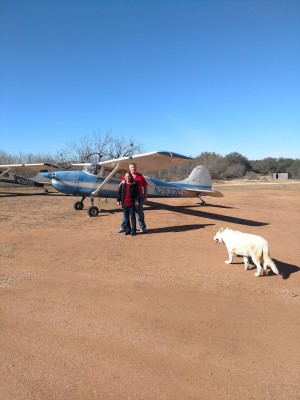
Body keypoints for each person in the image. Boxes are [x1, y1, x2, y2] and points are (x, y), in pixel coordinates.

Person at [119, 162, 148, 233]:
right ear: (129, 168)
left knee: (139, 212)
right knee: (125, 213)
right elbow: (120, 187)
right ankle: (123, 227)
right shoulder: (125, 176)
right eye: (132, 167)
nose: (133, 168)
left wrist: (145, 196)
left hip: (139, 196)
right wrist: (119, 198)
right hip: (127, 197)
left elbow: (145, 186)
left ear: (136, 168)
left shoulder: (140, 176)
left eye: (135, 167)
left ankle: (142, 227)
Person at [117, 172, 139, 236]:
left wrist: (137, 201)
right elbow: (119, 192)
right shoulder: (122, 184)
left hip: (132, 203)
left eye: (129, 176)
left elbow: (137, 193)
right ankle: (128, 230)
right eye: (126, 176)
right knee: (126, 218)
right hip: (124, 203)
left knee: (132, 217)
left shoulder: (134, 184)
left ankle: (133, 231)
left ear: (131, 177)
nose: (127, 177)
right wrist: (118, 200)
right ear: (125, 177)